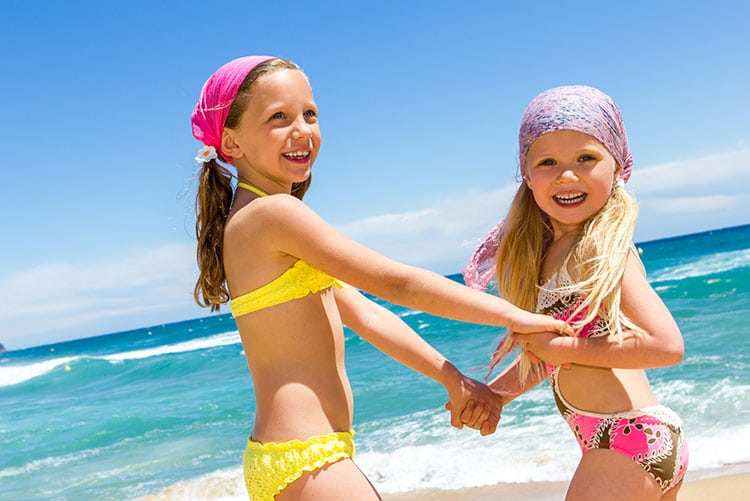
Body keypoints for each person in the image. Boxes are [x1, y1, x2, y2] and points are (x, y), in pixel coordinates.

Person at [190, 55, 570, 500]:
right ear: (231, 143)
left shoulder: (258, 220)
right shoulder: (274, 213)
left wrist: (453, 378)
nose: (302, 129)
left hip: (295, 457)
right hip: (308, 456)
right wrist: (513, 316)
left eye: (309, 114)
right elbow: (396, 284)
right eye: (278, 117)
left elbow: (368, 315)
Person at [462, 85, 689, 500]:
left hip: (626, 439)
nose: (568, 174)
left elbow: (666, 345)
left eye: (586, 158)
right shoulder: (553, 252)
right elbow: (552, 356)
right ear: (527, 177)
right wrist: (497, 395)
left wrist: (564, 350)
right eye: (548, 162)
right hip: (627, 439)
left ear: (617, 164)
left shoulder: (598, 246)